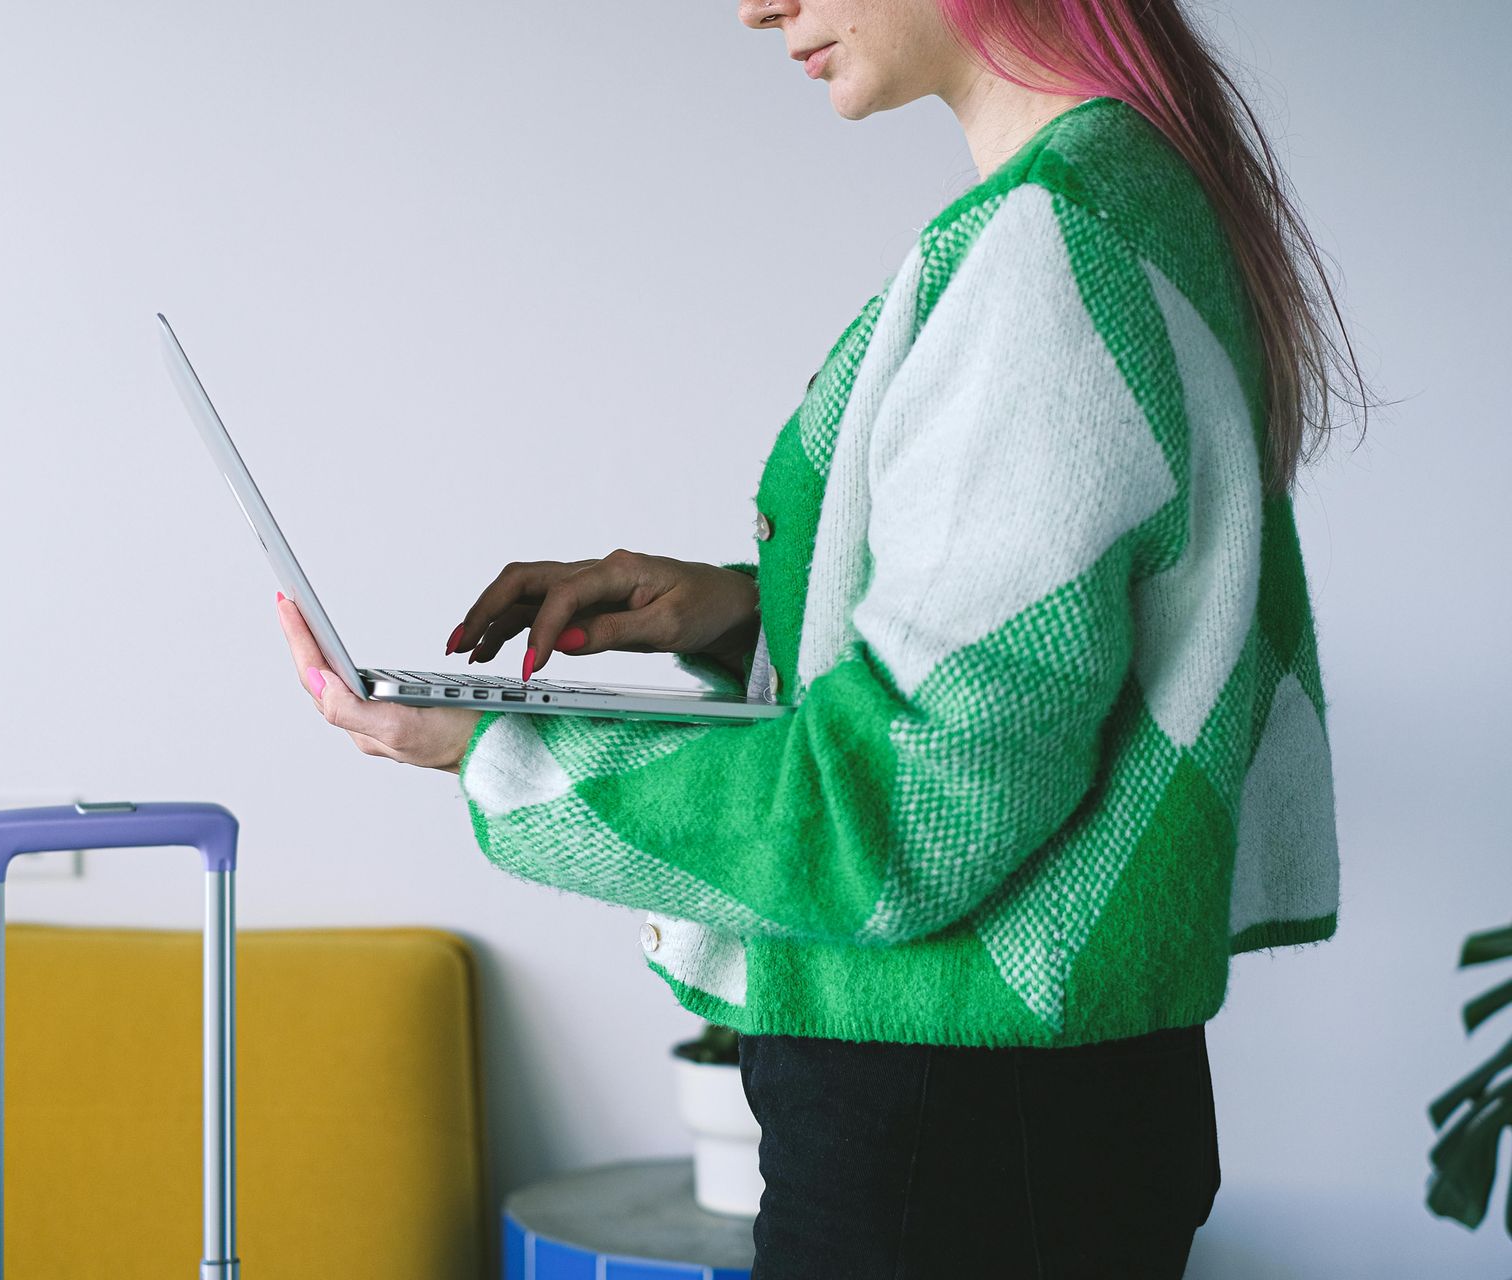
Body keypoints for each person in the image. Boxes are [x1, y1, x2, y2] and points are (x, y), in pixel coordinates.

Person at [275, 1, 1379, 1275]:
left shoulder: (1050, 247)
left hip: (955, 1126)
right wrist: (744, 608)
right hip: (1017, 1108)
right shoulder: (1122, 192)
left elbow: (904, 814)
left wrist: (494, 748)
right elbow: (1064, 638)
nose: (757, 4)